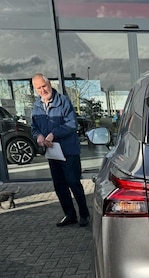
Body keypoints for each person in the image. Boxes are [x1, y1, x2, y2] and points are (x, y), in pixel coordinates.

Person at [31, 73, 90, 227]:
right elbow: (34, 127)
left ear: (49, 84)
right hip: (52, 153)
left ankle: (84, 214)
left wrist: (53, 134)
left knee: (73, 182)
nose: (42, 90)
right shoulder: (37, 106)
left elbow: (71, 124)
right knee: (59, 185)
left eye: (44, 86)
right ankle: (70, 215)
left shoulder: (63, 101)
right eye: (38, 88)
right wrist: (38, 136)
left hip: (68, 151)